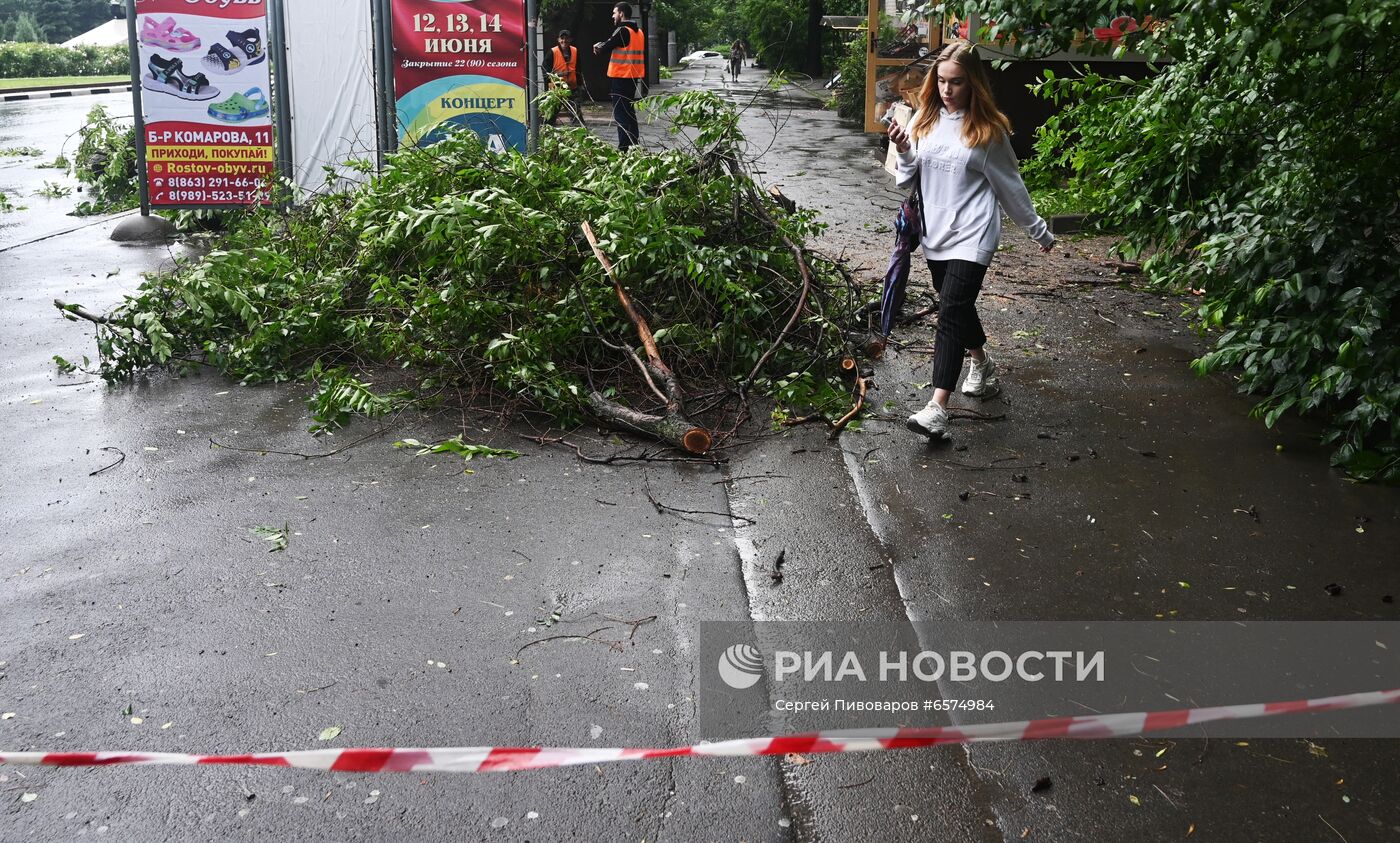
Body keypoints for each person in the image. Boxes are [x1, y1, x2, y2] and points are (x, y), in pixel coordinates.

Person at [888, 41, 1055, 441]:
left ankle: (937, 407)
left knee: (949, 311)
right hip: (936, 232)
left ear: (973, 83)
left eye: (956, 82)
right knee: (956, 306)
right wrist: (904, 149)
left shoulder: (987, 132)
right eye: (942, 81)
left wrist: (1038, 230)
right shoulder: (923, 121)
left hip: (975, 233)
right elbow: (907, 180)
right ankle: (982, 364)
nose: (947, 90)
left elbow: (1010, 188)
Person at [593, 2, 645, 151]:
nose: (613, 16)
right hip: (633, 77)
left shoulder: (622, 30)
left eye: (614, 13)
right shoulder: (639, 32)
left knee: (621, 114)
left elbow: (604, 48)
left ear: (621, 14)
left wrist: (597, 47)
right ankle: (634, 145)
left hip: (621, 78)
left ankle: (624, 148)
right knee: (629, 112)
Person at [547, 30, 584, 126]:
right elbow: (545, 69)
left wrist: (580, 84)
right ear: (558, 40)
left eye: (567, 38)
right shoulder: (552, 52)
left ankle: (579, 130)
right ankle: (547, 129)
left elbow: (578, 69)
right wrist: (553, 78)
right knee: (551, 114)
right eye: (562, 38)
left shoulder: (575, 51)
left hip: (572, 87)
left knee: (576, 112)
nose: (564, 40)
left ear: (570, 39)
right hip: (557, 88)